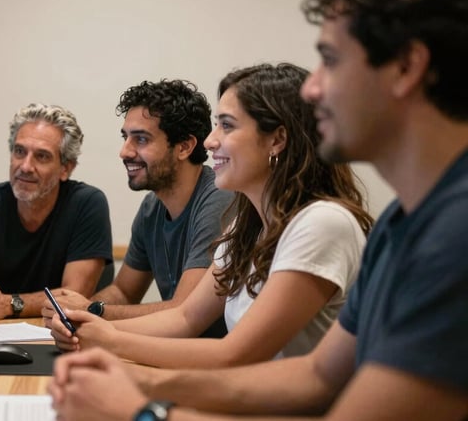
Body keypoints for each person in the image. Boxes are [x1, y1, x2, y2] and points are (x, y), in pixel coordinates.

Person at [48, 0, 468, 420]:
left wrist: (141, 411)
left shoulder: (453, 232)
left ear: (407, 67)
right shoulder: (401, 220)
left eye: (331, 60)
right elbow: (315, 376)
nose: (313, 88)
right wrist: (138, 380)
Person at [48, 63, 372, 367]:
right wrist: (87, 327)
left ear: (277, 140)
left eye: (226, 125)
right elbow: (185, 318)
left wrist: (110, 340)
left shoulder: (323, 224)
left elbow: (234, 354)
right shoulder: (246, 225)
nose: (211, 140)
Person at [43, 79, 233, 338]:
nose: (124, 152)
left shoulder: (219, 199)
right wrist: (71, 311)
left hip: (212, 356)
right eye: (126, 138)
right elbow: (123, 292)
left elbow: (184, 310)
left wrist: (91, 311)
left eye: (141, 139)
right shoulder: (151, 207)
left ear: (185, 146)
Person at [0, 103, 113, 323]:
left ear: (66, 168)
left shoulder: (87, 203)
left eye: (42, 156)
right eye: (19, 151)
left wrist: (10, 304)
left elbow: (73, 295)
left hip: (69, 330)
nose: (25, 166)